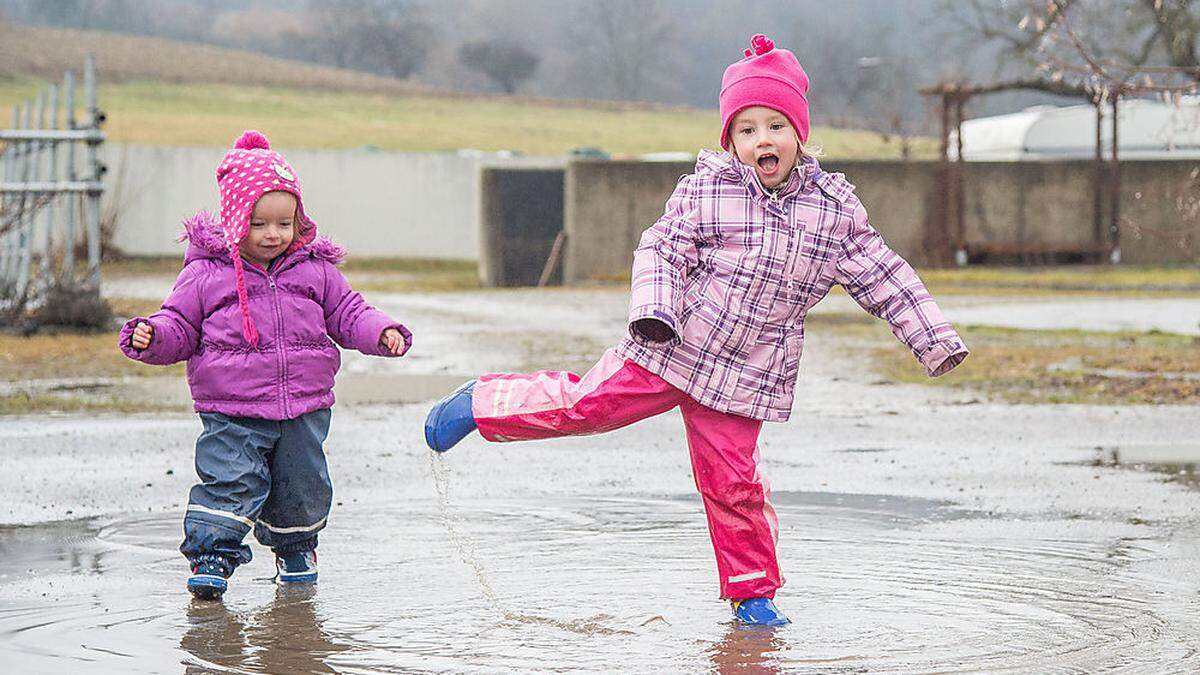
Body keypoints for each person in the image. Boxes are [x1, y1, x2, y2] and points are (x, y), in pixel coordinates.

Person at [424, 34, 968, 626]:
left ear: (799, 134)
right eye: (747, 129)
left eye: (775, 126)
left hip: (743, 376)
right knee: (583, 407)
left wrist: (933, 339)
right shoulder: (708, 191)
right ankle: (482, 405)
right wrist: (654, 311)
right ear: (731, 141)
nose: (763, 139)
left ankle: (753, 593)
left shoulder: (833, 212)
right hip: (670, 350)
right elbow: (661, 248)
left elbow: (885, 275)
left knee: (735, 484)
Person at [119, 130, 412, 600]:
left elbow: (349, 312)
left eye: (284, 223)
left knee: (301, 483)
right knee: (230, 479)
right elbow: (178, 325)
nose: (273, 234)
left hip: (303, 407)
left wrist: (381, 332)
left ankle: (295, 547)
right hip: (231, 409)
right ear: (235, 220)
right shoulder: (205, 275)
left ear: (299, 220)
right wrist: (152, 337)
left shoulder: (315, 270)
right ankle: (212, 555)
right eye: (258, 224)